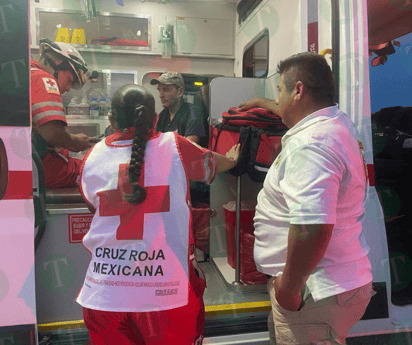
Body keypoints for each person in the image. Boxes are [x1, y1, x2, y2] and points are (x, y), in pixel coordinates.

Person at [76, 84, 240, 345]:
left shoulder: (90, 157)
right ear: (154, 118)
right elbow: (212, 164)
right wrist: (231, 159)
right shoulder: (174, 145)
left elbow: (92, 208)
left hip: (105, 294)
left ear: (111, 119)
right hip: (165, 293)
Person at [241, 52, 374, 344]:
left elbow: (311, 226)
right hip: (322, 287)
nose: (277, 100)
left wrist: (288, 288)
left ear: (298, 90)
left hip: (313, 291)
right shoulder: (333, 125)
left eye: (280, 90)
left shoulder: (311, 144)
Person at [31, 38, 99, 189]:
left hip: (28, 164)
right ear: (58, 64)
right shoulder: (43, 79)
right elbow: (52, 132)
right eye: (69, 80)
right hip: (40, 168)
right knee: (88, 170)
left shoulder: (27, 76)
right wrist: (75, 142)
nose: (68, 88)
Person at [150, 71, 207, 146]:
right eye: (159, 90)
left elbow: (190, 144)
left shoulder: (193, 112)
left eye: (166, 90)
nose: (161, 95)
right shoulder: (163, 115)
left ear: (179, 92)